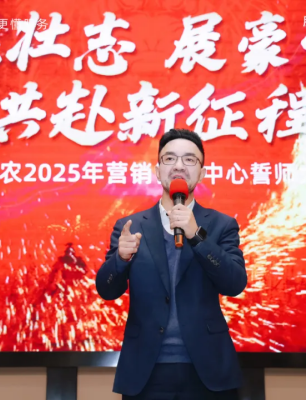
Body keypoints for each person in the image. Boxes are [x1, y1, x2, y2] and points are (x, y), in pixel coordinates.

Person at [96, 128, 248, 399]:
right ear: (157, 171)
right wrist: (120, 259)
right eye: (170, 158)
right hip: (145, 370)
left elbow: (234, 283)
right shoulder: (130, 226)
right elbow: (106, 290)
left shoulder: (222, 225)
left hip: (208, 370)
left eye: (189, 159)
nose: (179, 166)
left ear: (202, 173)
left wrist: (196, 236)